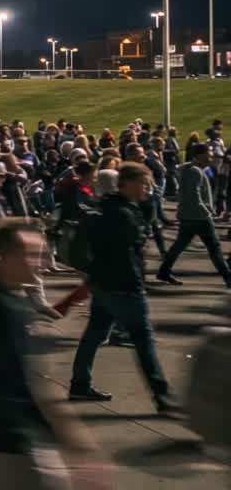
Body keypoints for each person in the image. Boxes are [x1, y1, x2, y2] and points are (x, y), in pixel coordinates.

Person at [0, 218, 114, 490]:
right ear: (5, 257)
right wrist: (76, 443)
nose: (41, 264)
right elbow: (33, 383)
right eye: (32, 256)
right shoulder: (5, 308)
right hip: (9, 439)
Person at [69, 163, 182, 413]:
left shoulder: (109, 208)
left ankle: (79, 383)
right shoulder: (125, 214)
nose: (147, 188)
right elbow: (131, 251)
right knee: (143, 340)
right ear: (128, 184)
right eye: (144, 183)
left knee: (95, 334)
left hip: (102, 284)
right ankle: (162, 395)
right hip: (125, 285)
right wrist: (136, 285)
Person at [155, 143, 231, 287]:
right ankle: (228, 278)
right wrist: (206, 212)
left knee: (179, 245)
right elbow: (193, 196)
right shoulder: (194, 171)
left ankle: (164, 272)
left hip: (189, 216)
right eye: (208, 152)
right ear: (199, 155)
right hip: (199, 218)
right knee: (214, 248)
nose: (211, 155)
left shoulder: (194, 169)